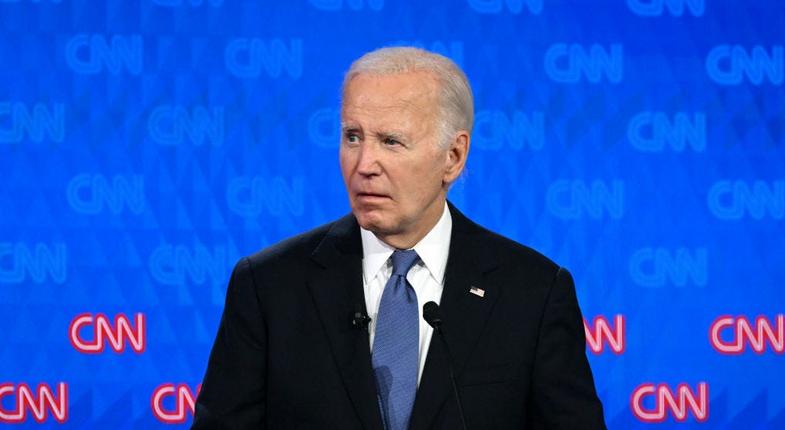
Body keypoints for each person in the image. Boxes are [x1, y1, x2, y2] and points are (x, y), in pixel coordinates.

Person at [192, 46, 606, 429]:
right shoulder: (269, 286)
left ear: (454, 156)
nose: (364, 163)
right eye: (353, 136)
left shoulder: (532, 292)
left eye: (391, 141)